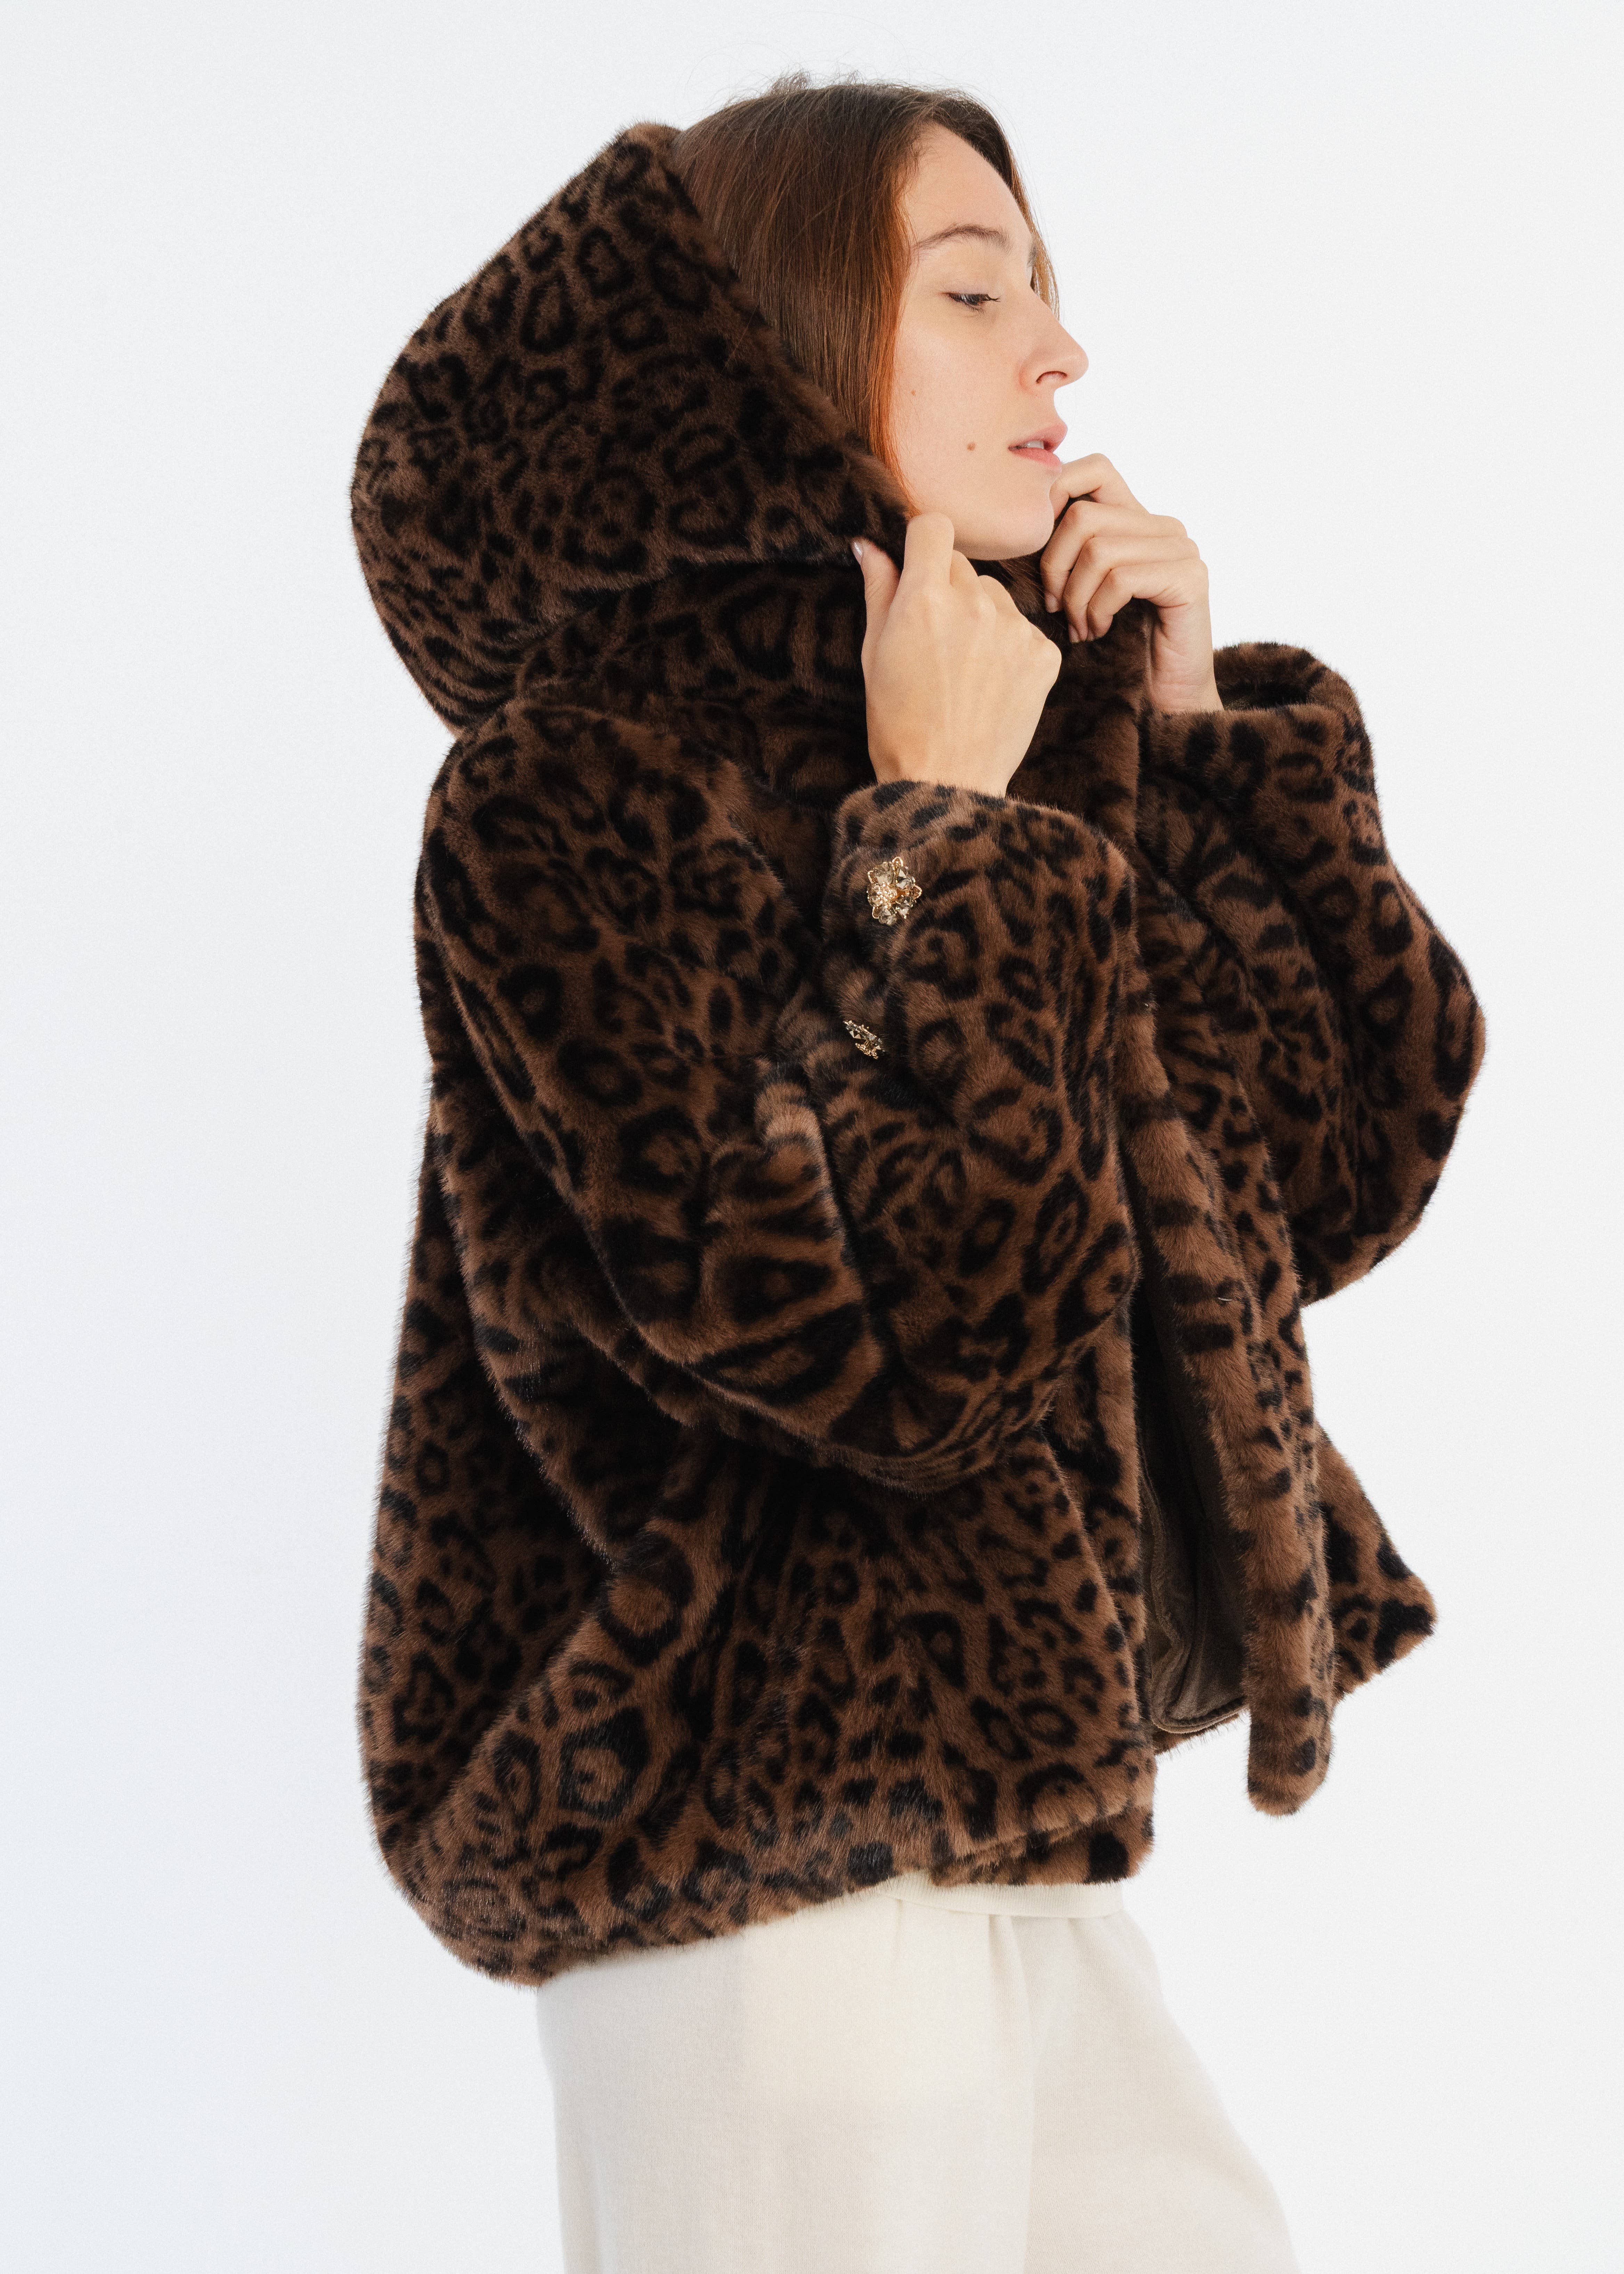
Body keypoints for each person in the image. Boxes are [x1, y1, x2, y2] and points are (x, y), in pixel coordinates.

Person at [350, 70, 1485, 2274]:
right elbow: (871, 1350)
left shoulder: (1020, 742)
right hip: (748, 1847)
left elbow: (1327, 1179)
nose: (1062, 350)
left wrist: (1193, 743)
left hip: (1013, 1847)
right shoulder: (570, 792)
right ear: (768, 355)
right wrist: (937, 842)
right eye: (975, 292)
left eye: (1044, 287)